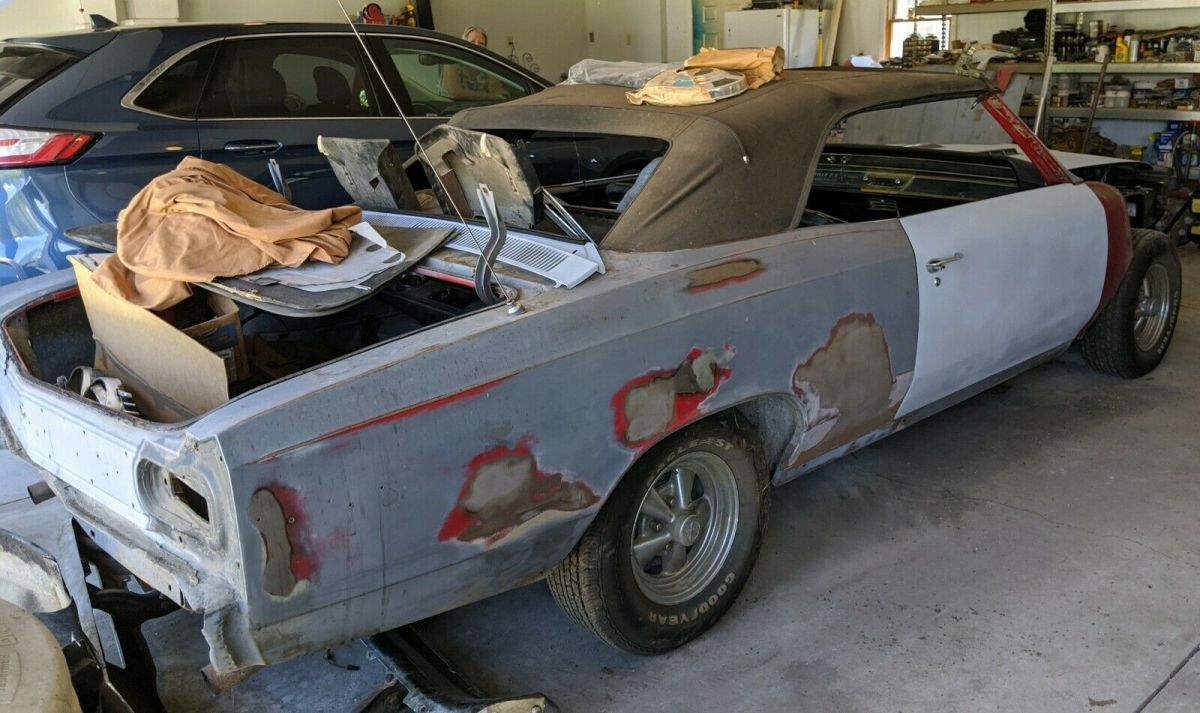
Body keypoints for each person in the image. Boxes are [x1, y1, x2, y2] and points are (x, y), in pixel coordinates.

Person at [441, 25, 513, 101]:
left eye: (481, 43)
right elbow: (456, 93)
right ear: (463, 44)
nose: (477, 45)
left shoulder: (489, 64)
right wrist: (490, 96)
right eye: (472, 42)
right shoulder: (452, 61)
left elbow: (497, 91)